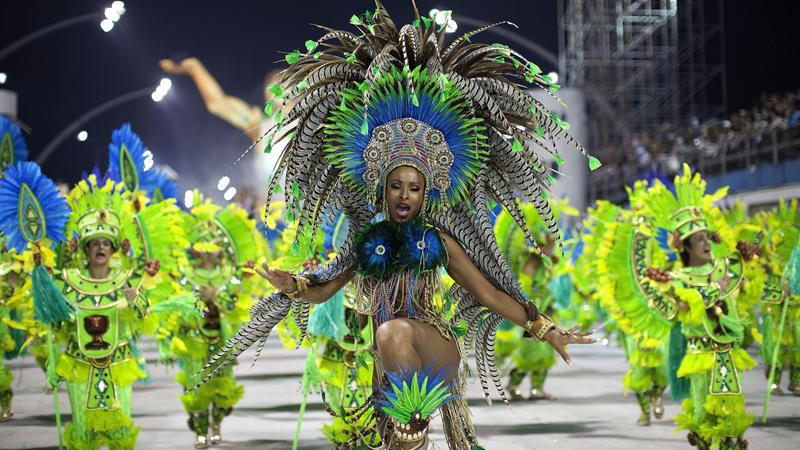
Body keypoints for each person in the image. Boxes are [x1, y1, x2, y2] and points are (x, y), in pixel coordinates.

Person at [194, 3, 597, 448]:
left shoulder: (438, 239)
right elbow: (325, 286)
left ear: (428, 194)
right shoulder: (366, 240)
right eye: (396, 186)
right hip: (389, 361)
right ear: (382, 190)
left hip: (435, 348)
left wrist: (545, 328)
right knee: (392, 424)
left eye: (415, 188)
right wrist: (290, 283)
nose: (405, 195)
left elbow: (490, 293)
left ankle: (415, 420)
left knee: (392, 331)